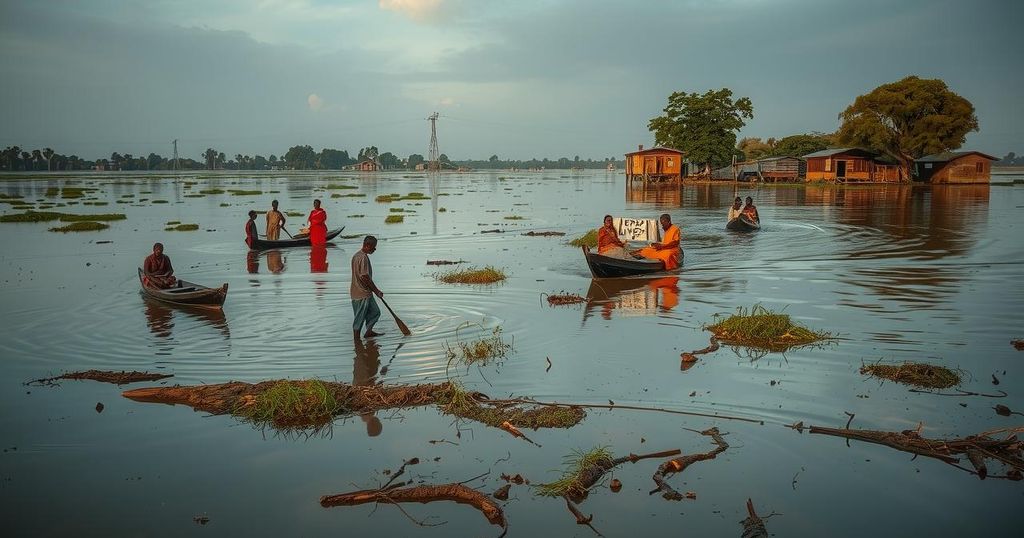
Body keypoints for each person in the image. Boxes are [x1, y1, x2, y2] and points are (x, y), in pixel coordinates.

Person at [351, 235, 384, 339]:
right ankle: (356, 341)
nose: (375, 249)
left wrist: (373, 291)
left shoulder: (356, 255)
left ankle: (369, 331)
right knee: (359, 319)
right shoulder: (363, 258)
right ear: (367, 245)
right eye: (373, 247)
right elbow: (365, 277)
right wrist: (376, 291)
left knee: (375, 312)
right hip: (361, 293)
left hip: (365, 292)